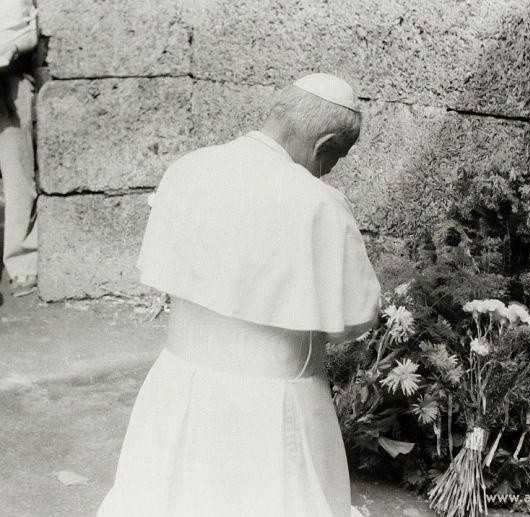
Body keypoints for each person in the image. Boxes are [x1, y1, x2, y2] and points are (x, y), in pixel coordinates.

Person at [98, 73, 381, 517]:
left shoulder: (188, 167)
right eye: (336, 158)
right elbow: (356, 315)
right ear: (324, 144)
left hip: (178, 383)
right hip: (273, 406)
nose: (330, 168)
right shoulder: (318, 203)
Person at [0, 0, 38, 297]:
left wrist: (16, 50)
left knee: (18, 179)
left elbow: (33, 28)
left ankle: (21, 264)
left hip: (11, 80)